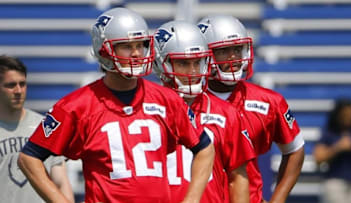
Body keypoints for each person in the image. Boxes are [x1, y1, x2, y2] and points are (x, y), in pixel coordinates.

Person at [17, 7, 215, 203]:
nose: (137, 53)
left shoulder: (166, 100)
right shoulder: (76, 106)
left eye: (140, 45)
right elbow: (29, 158)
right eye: (127, 46)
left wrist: (191, 199)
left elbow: (205, 149)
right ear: (104, 51)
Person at [197, 14, 305, 203]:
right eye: (224, 50)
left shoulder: (269, 101)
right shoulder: (188, 102)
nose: (233, 57)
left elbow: (295, 149)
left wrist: (277, 199)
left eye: (238, 49)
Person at [153, 20, 256, 203]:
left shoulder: (226, 114)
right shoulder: (147, 109)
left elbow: (238, 178)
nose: (193, 71)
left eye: (197, 62)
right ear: (163, 64)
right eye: (184, 63)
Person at [0, 55, 74, 203]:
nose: (18, 90)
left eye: (22, 84)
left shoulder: (45, 126)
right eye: (11, 85)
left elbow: (60, 181)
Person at [313, 98, 351, 203]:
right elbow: (318, 158)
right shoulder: (329, 133)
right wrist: (338, 147)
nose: (349, 117)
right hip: (334, 180)